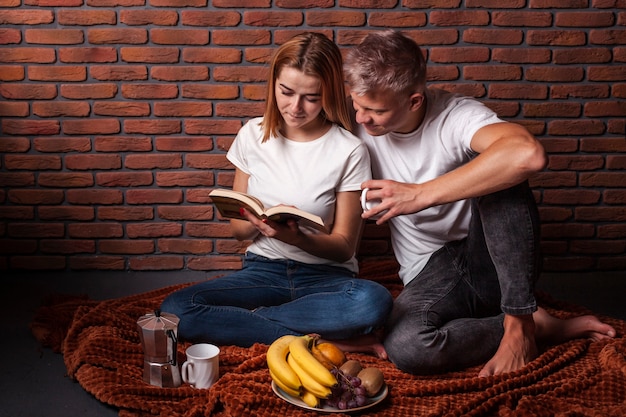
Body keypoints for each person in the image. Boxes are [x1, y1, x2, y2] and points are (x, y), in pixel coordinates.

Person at [343, 30, 616, 377]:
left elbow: (528, 154)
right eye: (357, 104)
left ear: (414, 101)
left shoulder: (456, 116)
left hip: (493, 259)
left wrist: (421, 193)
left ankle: (519, 321)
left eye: (375, 110)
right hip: (430, 273)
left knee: (505, 172)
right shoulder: (355, 119)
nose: (361, 118)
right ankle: (536, 325)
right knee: (408, 347)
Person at [161, 32, 392, 352]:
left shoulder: (349, 149)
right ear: (273, 84)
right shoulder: (252, 135)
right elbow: (240, 233)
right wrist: (253, 219)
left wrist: (296, 238)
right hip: (262, 271)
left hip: (327, 280)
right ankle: (321, 340)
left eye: (311, 97)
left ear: (328, 94)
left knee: (373, 302)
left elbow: (344, 249)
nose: (295, 107)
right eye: (286, 92)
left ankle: (250, 321)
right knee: (177, 308)